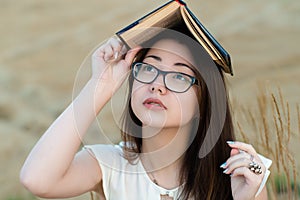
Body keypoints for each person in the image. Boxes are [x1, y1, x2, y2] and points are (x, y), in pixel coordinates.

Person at [20, 29, 271, 200]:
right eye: (149, 68)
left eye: (179, 76)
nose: (157, 85)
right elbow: (37, 179)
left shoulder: (241, 172)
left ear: (205, 100)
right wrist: (101, 84)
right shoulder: (112, 165)